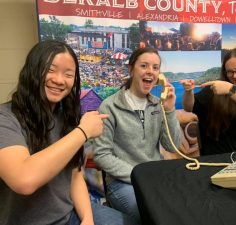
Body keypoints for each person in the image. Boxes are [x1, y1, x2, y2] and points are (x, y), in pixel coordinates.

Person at [0, 40, 135, 225]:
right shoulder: (5, 118)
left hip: (69, 215)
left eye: (68, 74)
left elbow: (75, 174)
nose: (59, 80)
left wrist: (87, 219)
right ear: (32, 70)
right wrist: (83, 132)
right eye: (50, 69)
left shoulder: (67, 117)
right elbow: (24, 180)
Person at [93, 47, 181, 224]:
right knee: (149, 212)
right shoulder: (109, 107)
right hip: (123, 182)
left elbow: (173, 146)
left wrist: (170, 110)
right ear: (131, 70)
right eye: (144, 66)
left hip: (155, 177)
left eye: (155, 67)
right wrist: (138, 174)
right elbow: (101, 155)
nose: (151, 71)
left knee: (179, 208)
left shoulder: (158, 105)